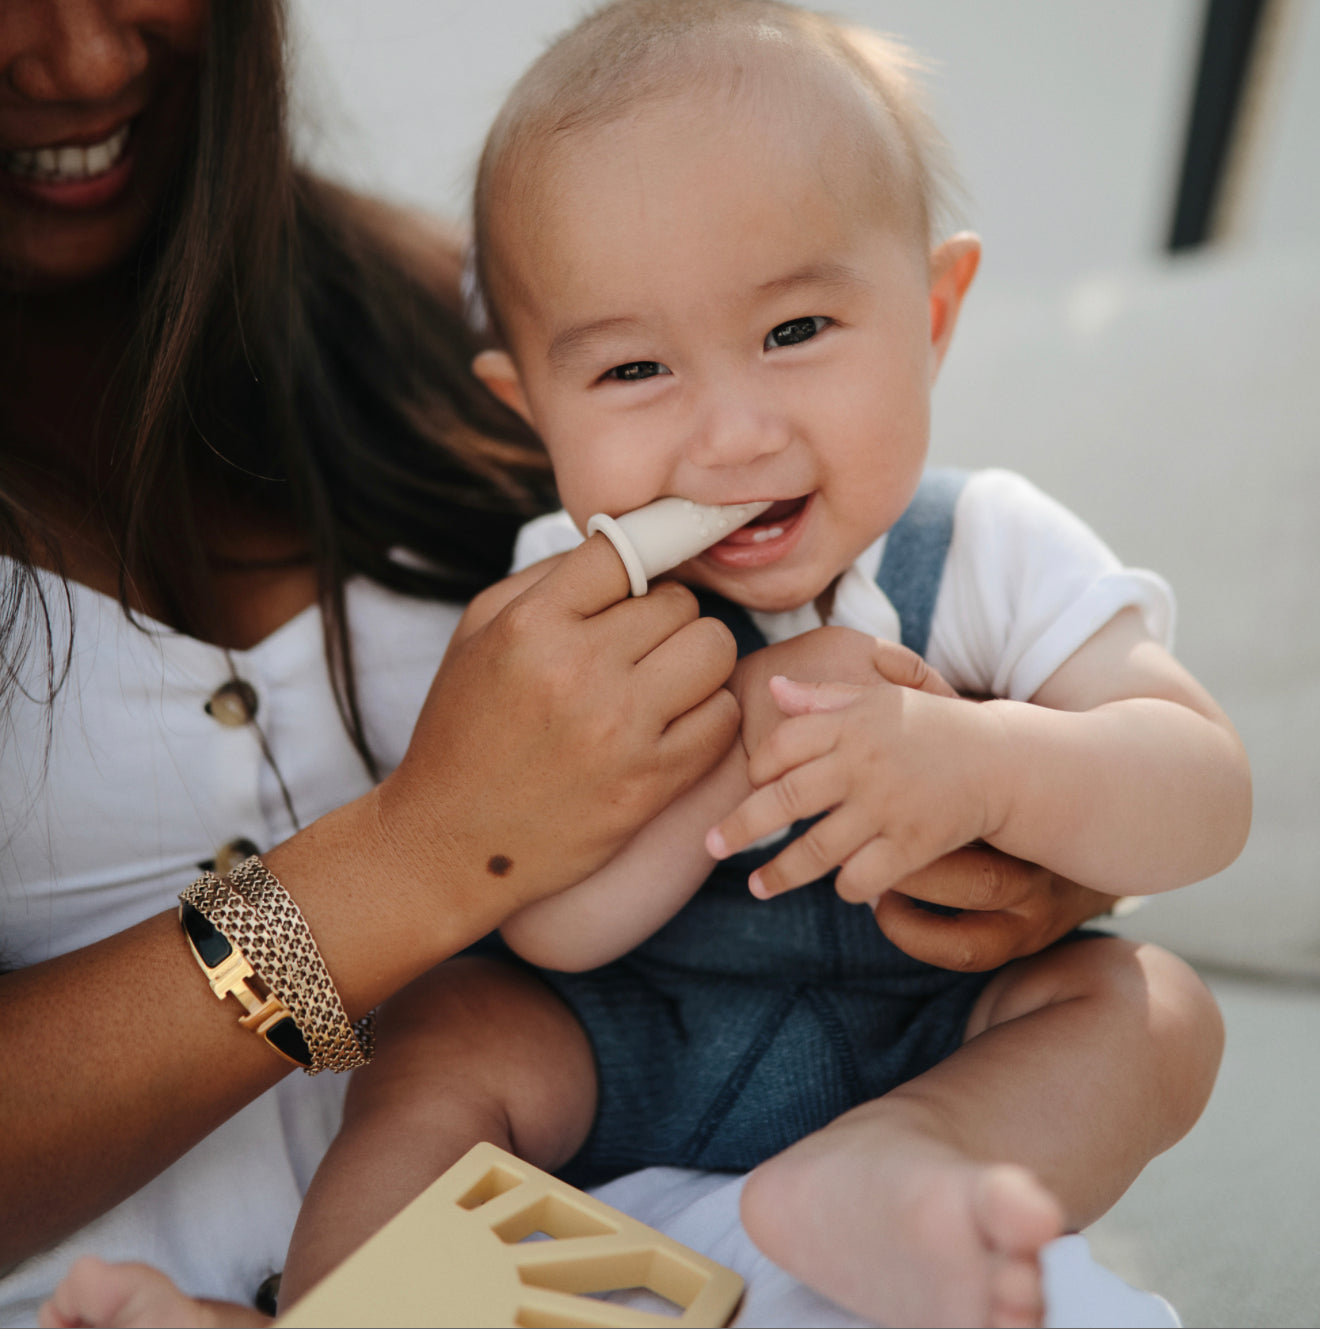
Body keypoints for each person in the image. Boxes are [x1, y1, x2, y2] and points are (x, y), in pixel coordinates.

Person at [1, 2, 1122, 1327]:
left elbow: (857, 513)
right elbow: (506, 888)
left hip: (617, 1247)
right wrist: (420, 854)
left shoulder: (478, 316)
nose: (84, 57)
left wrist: (1032, 828)